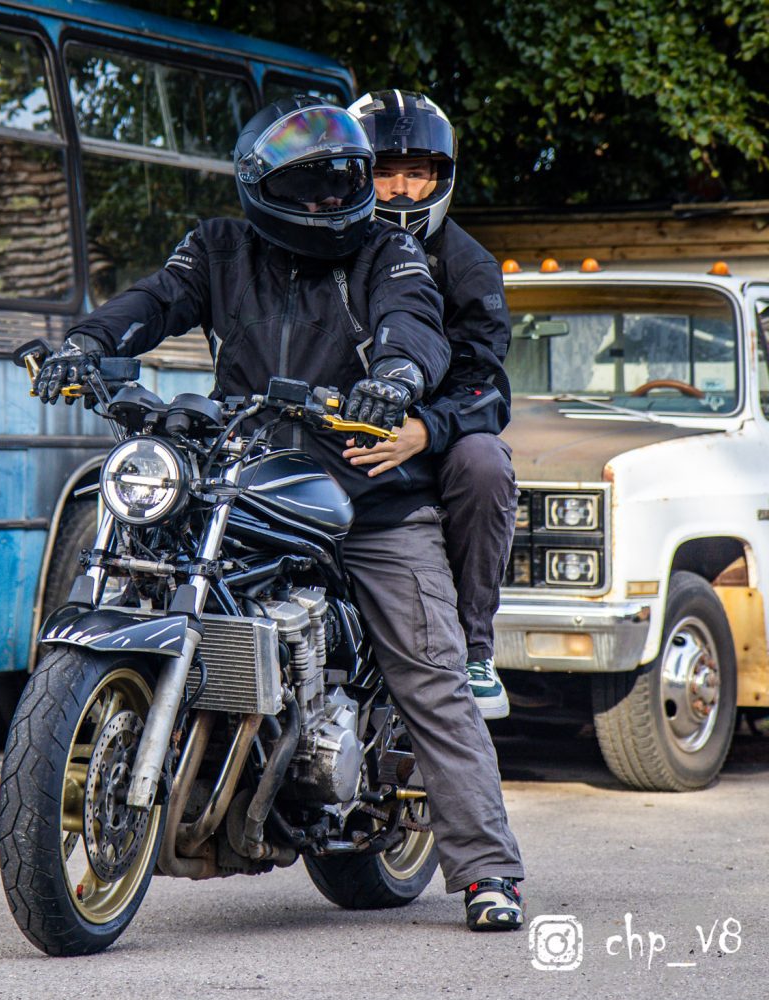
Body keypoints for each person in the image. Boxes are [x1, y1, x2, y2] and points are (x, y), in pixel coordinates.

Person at [34, 96, 525, 930]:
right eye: (318, 189)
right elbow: (155, 302)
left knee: (431, 673)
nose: (337, 203)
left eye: (346, 186)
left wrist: (398, 382)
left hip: (368, 497)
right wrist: (86, 343)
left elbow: (416, 328)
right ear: (269, 187)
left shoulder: (391, 249)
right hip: (242, 474)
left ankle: (487, 870)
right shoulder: (220, 247)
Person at [345, 90, 517, 722]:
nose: (399, 190)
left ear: (440, 176)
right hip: (330, 424)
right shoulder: (323, 245)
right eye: (384, 171)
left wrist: (423, 427)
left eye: (416, 173)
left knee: (485, 462)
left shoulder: (469, 265)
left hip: (430, 437)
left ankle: (473, 649)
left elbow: (486, 384)